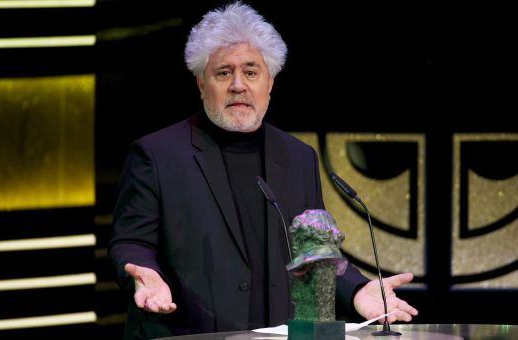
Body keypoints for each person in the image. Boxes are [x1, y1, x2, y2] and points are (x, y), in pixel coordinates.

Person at [109, 2, 418, 339]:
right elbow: (131, 242)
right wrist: (145, 275)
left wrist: (358, 290)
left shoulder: (299, 157)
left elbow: (314, 252)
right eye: (223, 72)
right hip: (185, 334)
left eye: (251, 72)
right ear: (201, 83)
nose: (238, 85)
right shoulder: (157, 155)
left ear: (269, 81)